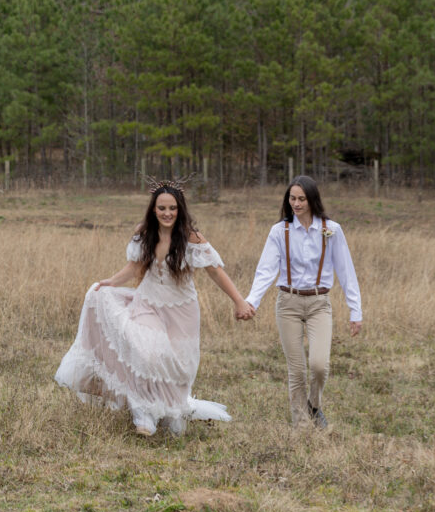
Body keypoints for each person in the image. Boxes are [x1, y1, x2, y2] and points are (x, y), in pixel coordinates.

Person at [54, 178, 254, 436]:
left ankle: (170, 410)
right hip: (147, 304)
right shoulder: (144, 233)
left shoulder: (191, 238)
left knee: (176, 366)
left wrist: (239, 301)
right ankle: (143, 414)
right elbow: (135, 266)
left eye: (172, 208)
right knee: (147, 354)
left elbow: (215, 272)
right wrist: (110, 282)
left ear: (180, 209)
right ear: (153, 210)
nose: (167, 213)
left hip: (182, 311)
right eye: (161, 208)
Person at [244, 176, 362, 429]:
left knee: (320, 366)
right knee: (296, 370)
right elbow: (265, 270)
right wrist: (252, 300)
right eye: (292, 198)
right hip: (288, 303)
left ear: (312, 200)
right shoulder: (280, 231)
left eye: (301, 199)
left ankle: (314, 406)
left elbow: (346, 271)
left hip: (320, 302)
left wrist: (355, 311)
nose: (296, 204)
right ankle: (301, 425)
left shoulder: (332, 230)